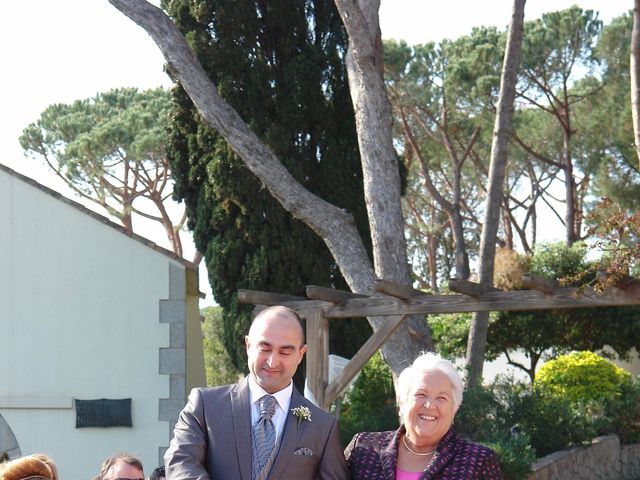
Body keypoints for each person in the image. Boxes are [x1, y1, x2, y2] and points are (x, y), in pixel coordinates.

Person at [165, 305, 349, 480]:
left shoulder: (323, 427)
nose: (272, 362)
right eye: (265, 348)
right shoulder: (205, 405)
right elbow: (181, 461)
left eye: (285, 352)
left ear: (301, 354)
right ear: (248, 345)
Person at [345, 352, 502, 479]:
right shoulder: (363, 448)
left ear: (454, 409)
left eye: (442, 398)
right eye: (421, 394)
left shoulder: (478, 460)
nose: (429, 405)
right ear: (402, 402)